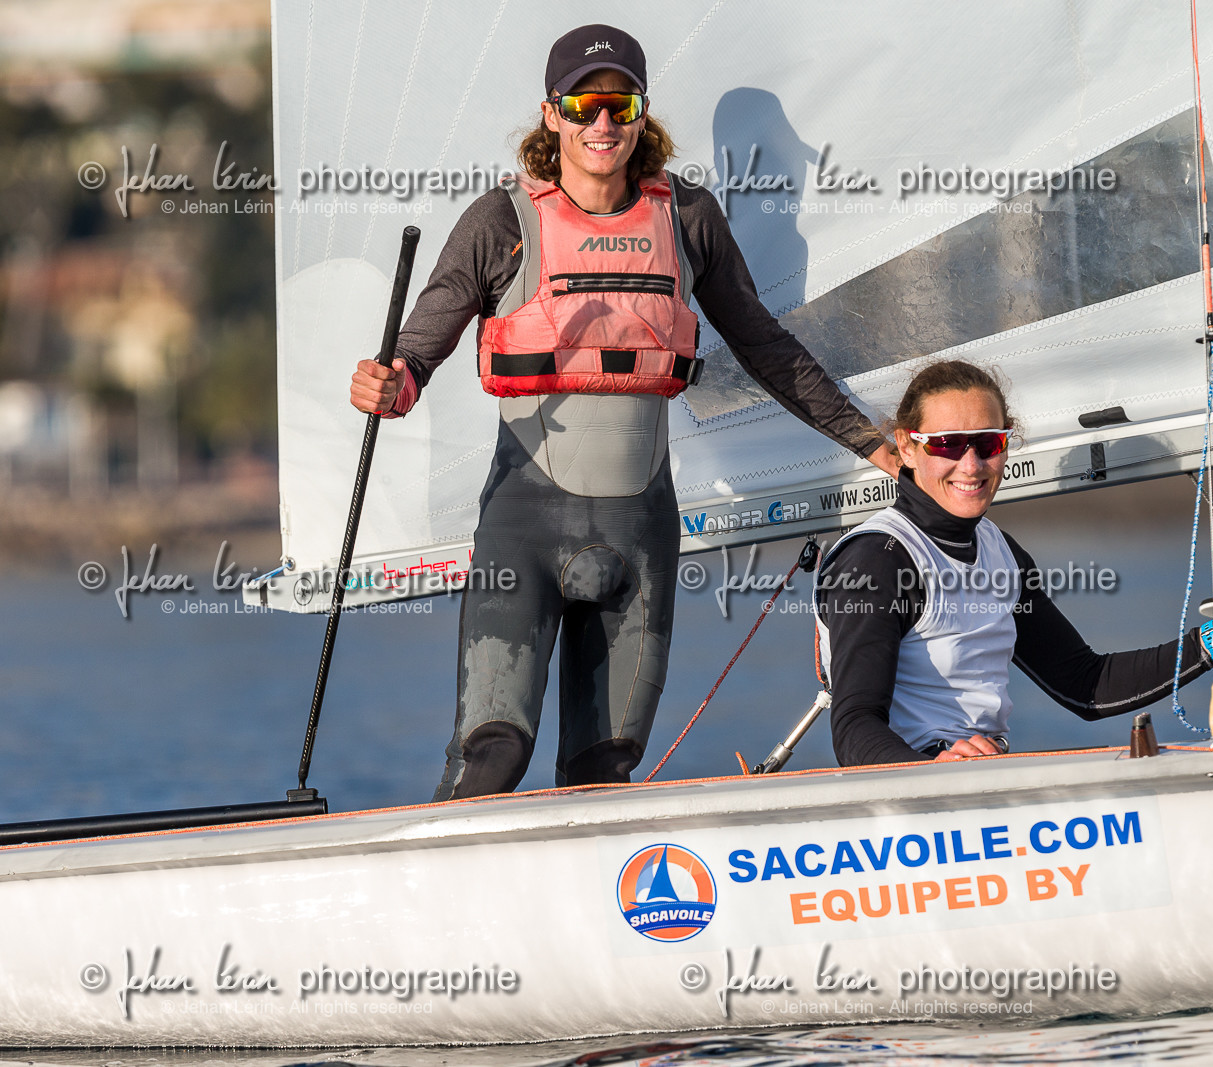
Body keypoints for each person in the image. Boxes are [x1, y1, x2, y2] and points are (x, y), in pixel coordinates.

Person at [349, 24, 898, 795]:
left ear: (641, 112)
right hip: (522, 536)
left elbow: (762, 346)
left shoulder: (689, 218)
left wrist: (876, 445)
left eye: (619, 104)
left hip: (639, 539)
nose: (601, 122)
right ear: (552, 116)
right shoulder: (501, 223)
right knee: (493, 754)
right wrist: (390, 384)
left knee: (603, 770)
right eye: (583, 105)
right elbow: (419, 347)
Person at [814, 360, 1213, 765]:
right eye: (947, 444)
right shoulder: (877, 562)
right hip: (913, 806)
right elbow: (855, 728)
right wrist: (930, 772)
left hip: (976, 784)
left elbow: (1085, 686)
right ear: (907, 445)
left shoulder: (999, 552)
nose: (971, 464)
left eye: (988, 443)